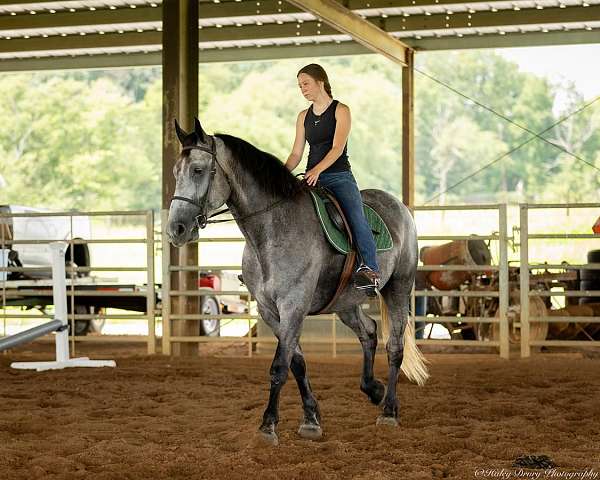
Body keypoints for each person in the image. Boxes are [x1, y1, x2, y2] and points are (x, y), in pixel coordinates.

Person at [284, 63, 380, 291]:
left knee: (356, 217)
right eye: (299, 86)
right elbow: (297, 152)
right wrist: (278, 175)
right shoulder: (303, 116)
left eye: (306, 83)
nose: (303, 89)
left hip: (338, 176)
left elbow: (337, 148)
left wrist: (318, 170)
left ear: (321, 82)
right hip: (309, 177)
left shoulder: (341, 110)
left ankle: (370, 268)